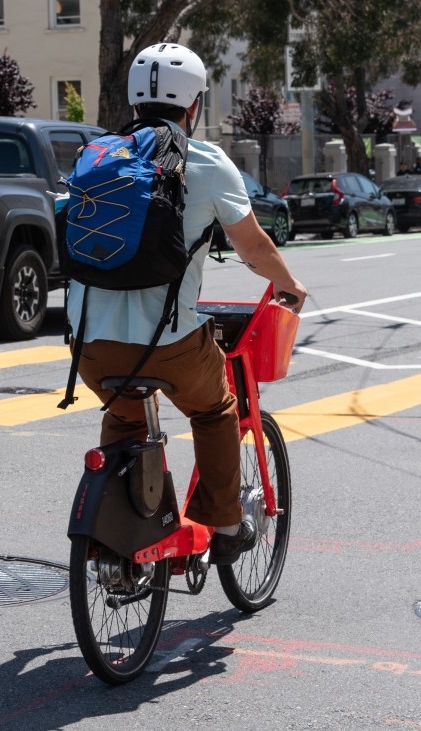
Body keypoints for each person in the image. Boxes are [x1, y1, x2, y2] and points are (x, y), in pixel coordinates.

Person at [67, 43, 308, 566]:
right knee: (217, 408)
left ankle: (115, 541)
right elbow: (254, 247)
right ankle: (223, 524)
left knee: (125, 414)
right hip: (168, 343)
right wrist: (289, 285)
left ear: (134, 102)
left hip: (89, 345)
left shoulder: (99, 154)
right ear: (193, 105)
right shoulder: (207, 161)